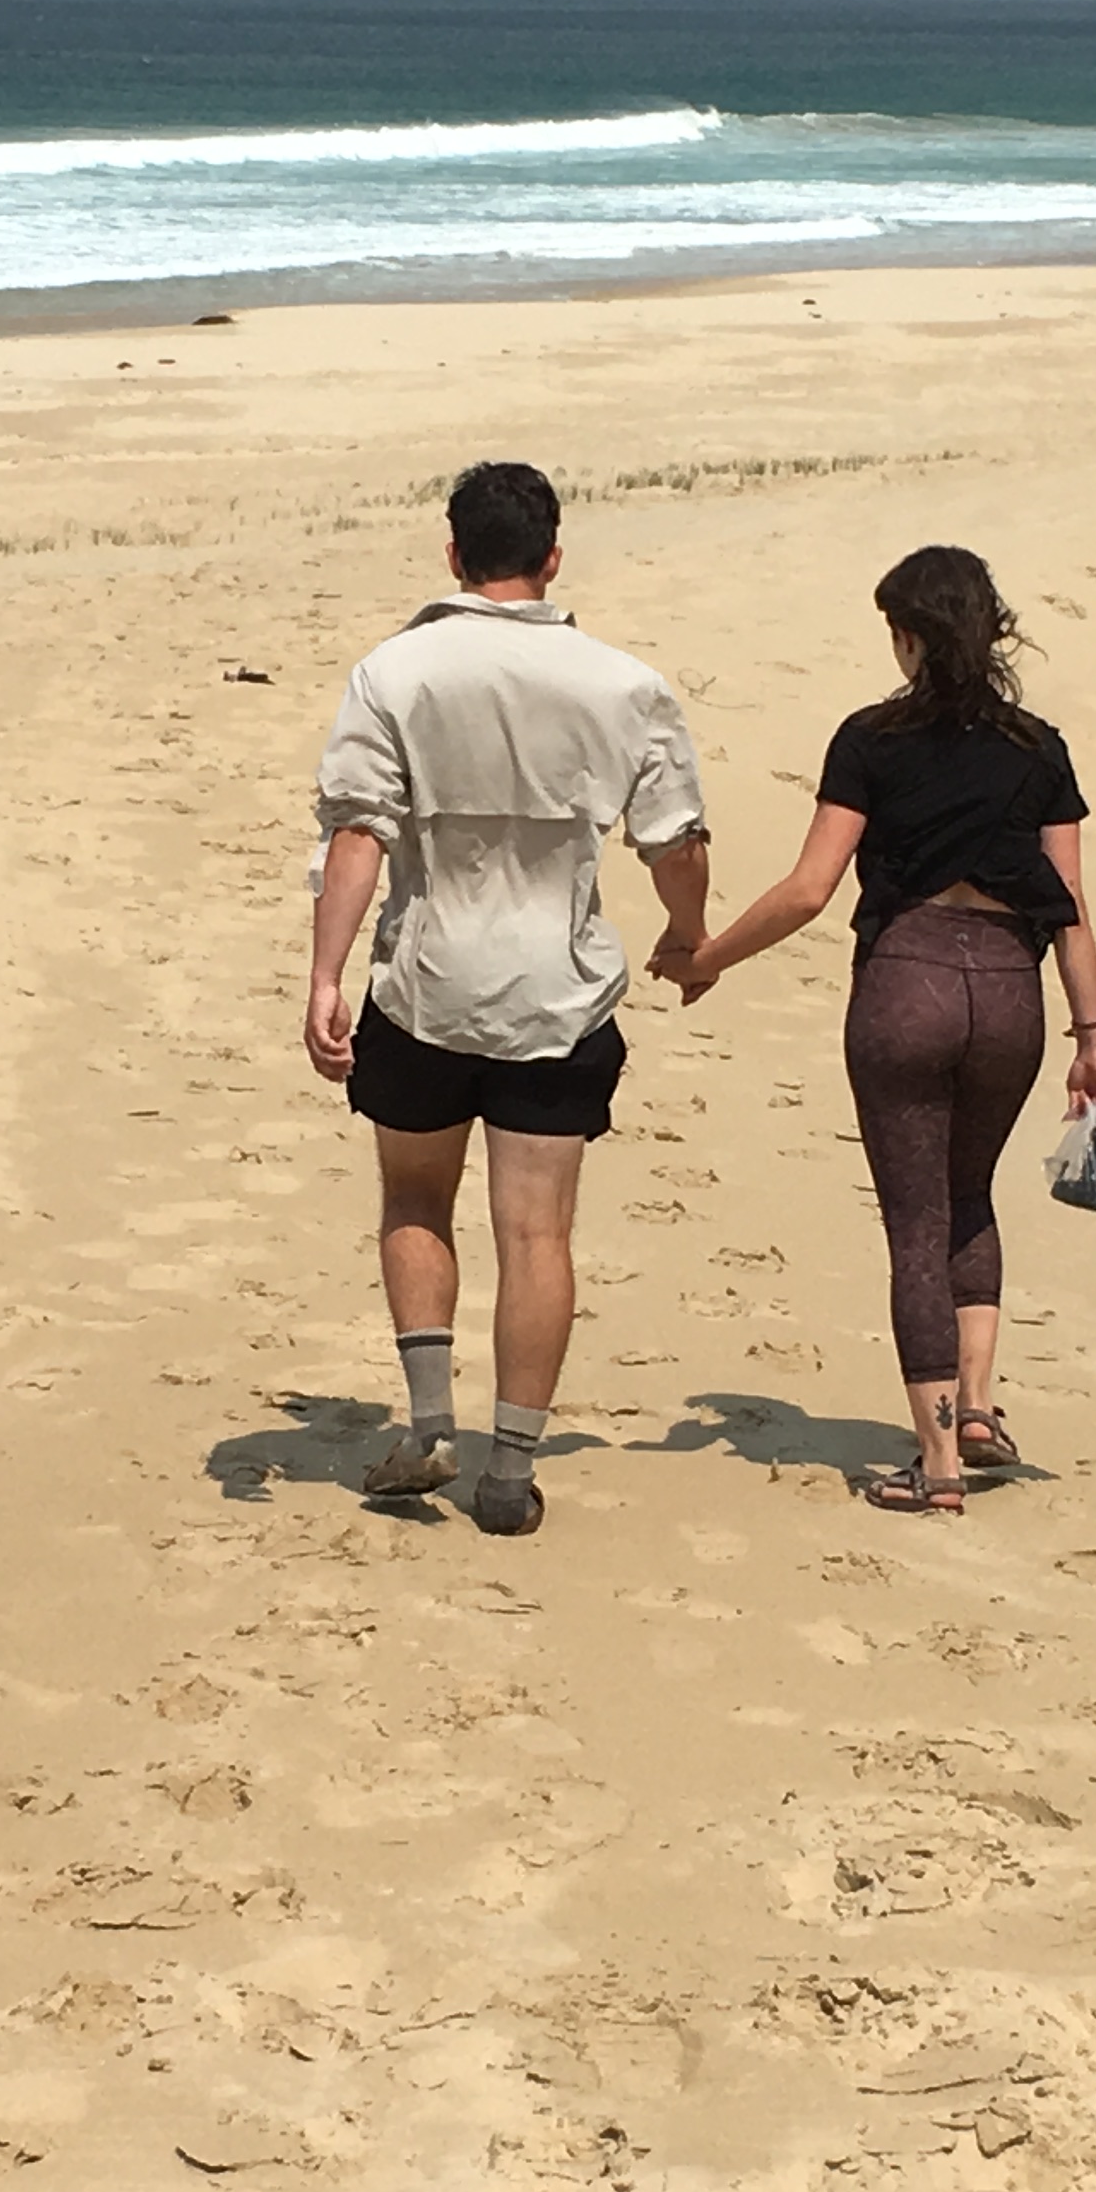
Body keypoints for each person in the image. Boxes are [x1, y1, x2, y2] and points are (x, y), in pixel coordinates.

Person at [308, 461, 711, 1536]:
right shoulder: (621, 682)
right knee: (537, 1235)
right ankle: (511, 1469)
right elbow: (675, 841)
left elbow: (359, 832)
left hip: (426, 982)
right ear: (552, 558)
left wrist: (325, 975)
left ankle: (431, 1422)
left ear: (452, 554)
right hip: (557, 991)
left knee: (414, 1201)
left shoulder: (395, 671)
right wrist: (688, 935)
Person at [673, 544, 1096, 1513]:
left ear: (910, 636)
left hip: (908, 980)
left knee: (916, 1223)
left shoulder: (870, 739)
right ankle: (980, 1407)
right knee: (970, 1196)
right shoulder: (1039, 748)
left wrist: (709, 959)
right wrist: (1091, 1035)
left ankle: (939, 1461)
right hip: (1010, 988)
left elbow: (809, 890)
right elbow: (1071, 904)